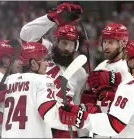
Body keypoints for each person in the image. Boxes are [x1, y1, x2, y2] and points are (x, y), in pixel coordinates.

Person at [59, 39, 134, 138]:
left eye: (127, 58)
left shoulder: (129, 88)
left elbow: (112, 126)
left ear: (133, 62)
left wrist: (81, 118)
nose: (125, 60)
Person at [1, 42, 100, 138]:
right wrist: (81, 121)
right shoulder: (43, 80)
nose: (47, 64)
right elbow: (50, 115)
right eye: (43, 60)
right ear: (33, 63)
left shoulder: (9, 81)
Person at [20, 2, 87, 138]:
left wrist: (84, 135)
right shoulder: (44, 51)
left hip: (63, 127)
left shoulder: (80, 73)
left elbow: (78, 103)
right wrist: (51, 18)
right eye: (64, 43)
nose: (67, 48)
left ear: (76, 46)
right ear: (56, 41)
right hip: (37, 121)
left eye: (71, 44)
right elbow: (26, 35)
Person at [80, 22, 133, 137]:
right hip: (100, 130)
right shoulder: (101, 66)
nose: (106, 46)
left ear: (123, 43)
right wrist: (90, 99)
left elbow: (132, 101)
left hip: (119, 132)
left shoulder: (128, 68)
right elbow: (94, 101)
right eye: (104, 42)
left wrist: (112, 92)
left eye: (111, 42)